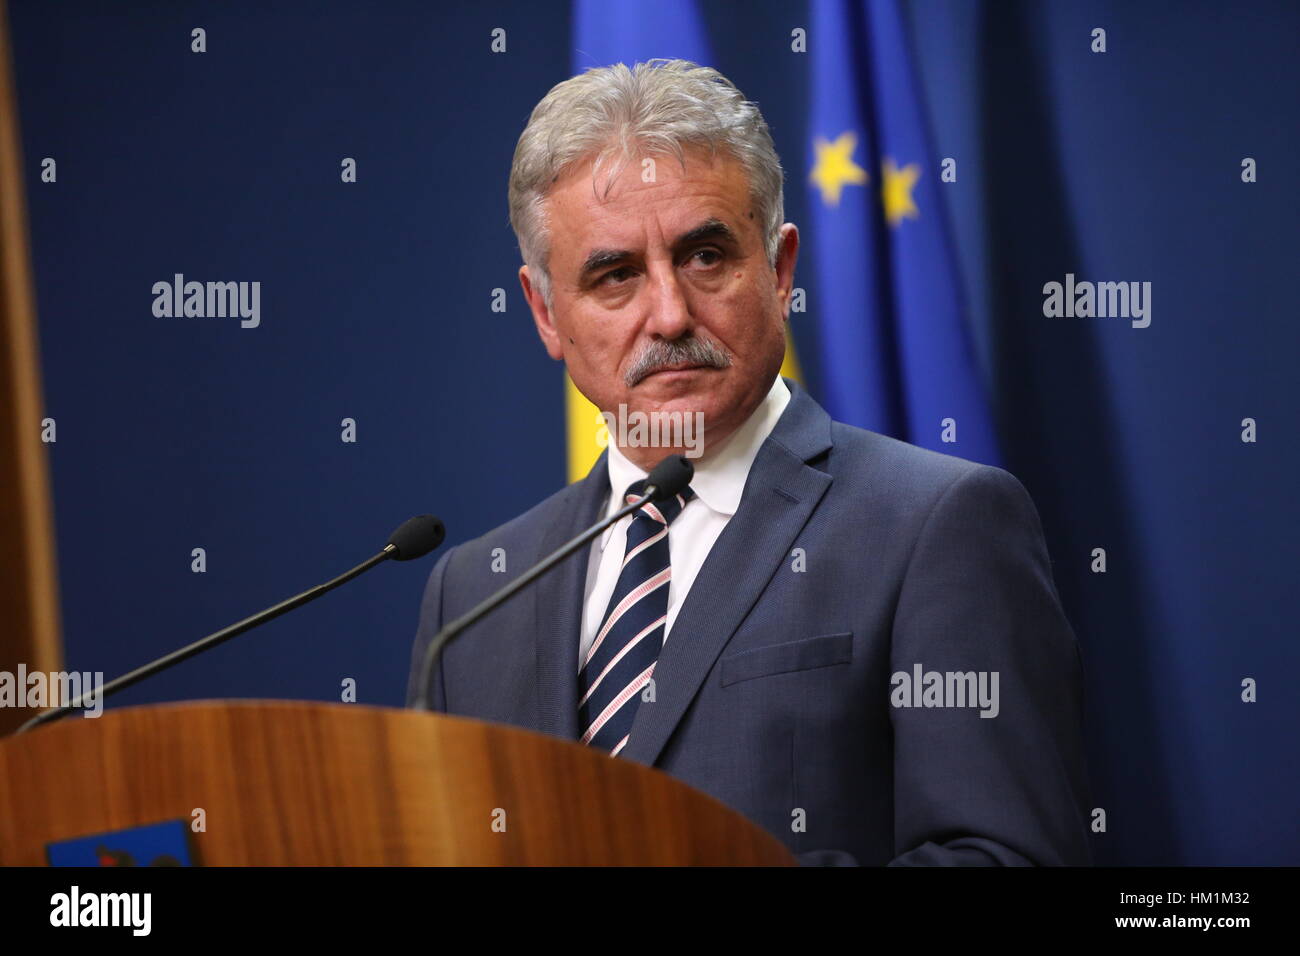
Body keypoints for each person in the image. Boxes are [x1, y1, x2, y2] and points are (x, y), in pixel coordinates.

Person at [407, 59, 1091, 866]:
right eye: (615, 275)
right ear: (546, 313)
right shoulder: (476, 594)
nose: (669, 314)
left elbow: (1009, 859)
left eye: (705, 257)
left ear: (779, 269)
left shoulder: (938, 526)